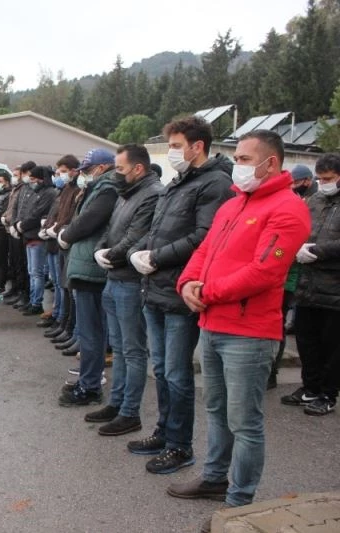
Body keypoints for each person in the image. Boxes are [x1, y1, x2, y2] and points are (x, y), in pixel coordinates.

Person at [167, 130, 310, 531]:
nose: (238, 166)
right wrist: (187, 283)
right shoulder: (233, 204)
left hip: (249, 333)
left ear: (271, 164)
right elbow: (204, 250)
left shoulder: (289, 208)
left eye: (246, 159)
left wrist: (207, 292)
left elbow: (266, 270)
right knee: (215, 409)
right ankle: (215, 478)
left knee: (244, 421)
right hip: (213, 324)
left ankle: (239, 502)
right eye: (238, 158)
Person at [124, 115, 233, 475]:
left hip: (178, 291)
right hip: (156, 287)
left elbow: (203, 236)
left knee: (176, 373)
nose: (171, 152)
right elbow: (158, 229)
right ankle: (164, 431)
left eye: (175, 145)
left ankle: (180, 446)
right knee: (162, 369)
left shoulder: (214, 182)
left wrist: (156, 257)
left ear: (196, 146)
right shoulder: (179, 181)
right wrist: (138, 252)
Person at [82, 144, 163, 437]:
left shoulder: (152, 193)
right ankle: (117, 403)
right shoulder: (125, 192)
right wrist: (102, 249)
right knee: (118, 348)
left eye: (120, 168)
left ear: (138, 168)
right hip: (114, 278)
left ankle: (130, 412)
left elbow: (137, 236)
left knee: (133, 350)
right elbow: (111, 229)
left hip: (130, 280)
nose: (117, 173)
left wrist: (113, 254)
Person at [57, 148, 119, 406]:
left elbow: (87, 220)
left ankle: (91, 385)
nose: (84, 175)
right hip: (86, 265)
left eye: (88, 170)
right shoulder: (100, 187)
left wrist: (66, 235)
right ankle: (88, 380)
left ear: (102, 167)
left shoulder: (107, 188)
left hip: (90, 269)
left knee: (92, 332)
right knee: (91, 331)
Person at [282, 153, 340, 415]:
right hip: (306, 287)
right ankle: (310, 388)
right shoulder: (314, 200)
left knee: (332, 346)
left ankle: (328, 394)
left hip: (334, 289)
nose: (323, 182)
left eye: (328, 178)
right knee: (306, 341)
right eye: (320, 178)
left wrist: (319, 251)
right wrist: (293, 248)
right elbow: (298, 228)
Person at [268, 164, 313, 388]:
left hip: (288, 278)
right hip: (276, 274)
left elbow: (281, 247)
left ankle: (271, 371)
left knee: (277, 325)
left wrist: (276, 255)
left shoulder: (297, 206)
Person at [43, 155, 82, 348]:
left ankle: (72, 329)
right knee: (63, 286)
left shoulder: (78, 190)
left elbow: (70, 217)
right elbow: (58, 214)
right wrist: (49, 227)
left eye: (63, 172)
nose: (59, 176)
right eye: (58, 172)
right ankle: (65, 325)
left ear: (74, 170)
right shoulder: (65, 189)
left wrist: (58, 230)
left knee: (69, 289)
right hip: (59, 241)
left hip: (68, 242)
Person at [15, 165, 57, 315]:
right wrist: (18, 223)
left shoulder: (49, 193)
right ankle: (33, 300)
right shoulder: (37, 192)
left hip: (37, 237)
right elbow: (27, 210)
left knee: (37, 273)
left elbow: (37, 213)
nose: (30, 182)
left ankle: (36, 302)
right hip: (29, 235)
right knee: (32, 272)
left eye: (33, 179)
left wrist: (22, 225)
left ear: (41, 179)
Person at [3, 161, 36, 310]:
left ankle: (26, 294)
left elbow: (30, 212)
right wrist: (13, 223)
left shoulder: (32, 189)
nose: (21, 177)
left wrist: (19, 225)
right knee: (16, 262)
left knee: (26, 266)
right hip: (15, 229)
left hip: (26, 232)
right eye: (20, 174)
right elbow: (15, 208)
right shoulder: (20, 189)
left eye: (23, 174)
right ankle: (19, 290)